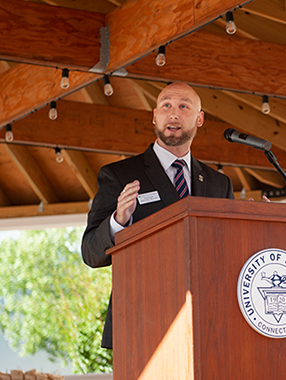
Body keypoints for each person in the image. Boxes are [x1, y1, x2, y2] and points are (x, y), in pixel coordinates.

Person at [81, 82, 234, 349]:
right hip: (141, 323)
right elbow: (91, 253)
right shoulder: (119, 175)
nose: (173, 113)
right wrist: (118, 221)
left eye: (183, 106)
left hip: (208, 323)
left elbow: (230, 257)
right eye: (166, 106)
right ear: (154, 116)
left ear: (199, 119)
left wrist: (253, 224)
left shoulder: (219, 183)